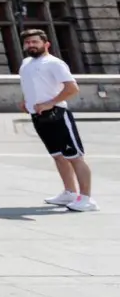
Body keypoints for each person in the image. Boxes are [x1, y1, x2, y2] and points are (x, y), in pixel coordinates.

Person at [20, 29, 97, 211]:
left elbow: (72, 88)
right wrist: (26, 101)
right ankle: (69, 192)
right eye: (28, 42)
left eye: (35, 42)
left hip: (58, 114)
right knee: (58, 156)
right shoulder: (26, 63)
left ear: (46, 44)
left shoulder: (55, 63)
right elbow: (32, 85)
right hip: (38, 115)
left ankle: (87, 199)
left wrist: (50, 103)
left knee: (75, 156)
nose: (31, 45)